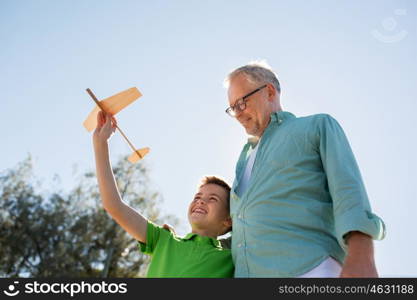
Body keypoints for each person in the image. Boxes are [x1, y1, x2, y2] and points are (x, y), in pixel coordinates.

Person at [224, 61, 386, 278]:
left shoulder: (316, 127)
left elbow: (347, 190)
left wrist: (362, 254)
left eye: (242, 103)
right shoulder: (243, 162)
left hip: (312, 270)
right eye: (233, 108)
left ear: (269, 92)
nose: (239, 114)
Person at [92, 110, 234, 277]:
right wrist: (100, 143)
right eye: (197, 197)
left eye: (213, 199)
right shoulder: (163, 239)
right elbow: (114, 206)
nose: (201, 201)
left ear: (228, 220)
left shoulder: (232, 258)